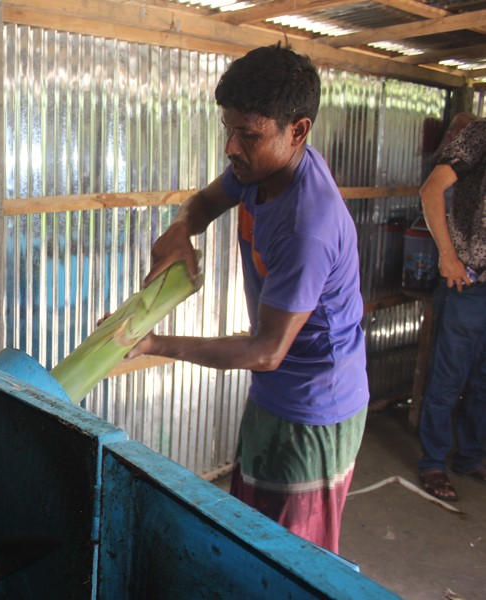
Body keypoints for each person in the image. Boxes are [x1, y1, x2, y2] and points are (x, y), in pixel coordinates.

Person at [128, 44, 369, 554]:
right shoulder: (259, 170)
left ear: (297, 131)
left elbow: (265, 352)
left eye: (249, 135)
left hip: (313, 405)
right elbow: (206, 202)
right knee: (251, 529)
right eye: (227, 129)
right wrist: (180, 228)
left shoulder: (308, 226)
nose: (231, 147)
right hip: (275, 393)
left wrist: (154, 344)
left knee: (291, 559)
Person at [417, 117, 486, 502]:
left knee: (484, 383)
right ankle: (432, 463)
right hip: (468, 283)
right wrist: (447, 256)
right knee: (448, 381)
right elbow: (432, 190)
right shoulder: (480, 135)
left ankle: (470, 457)